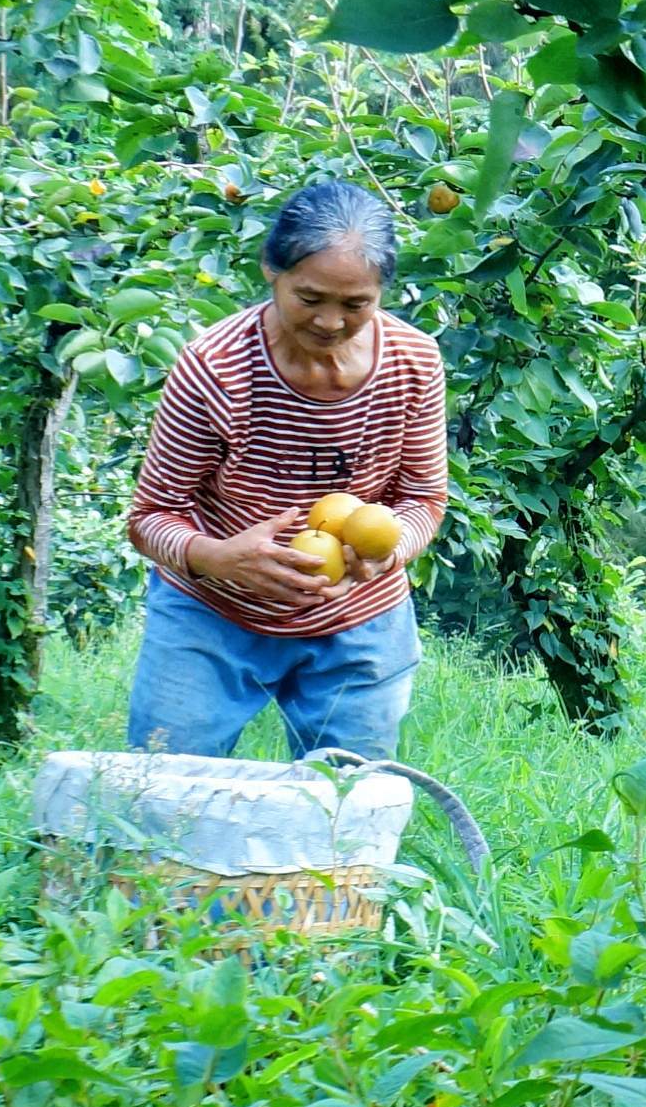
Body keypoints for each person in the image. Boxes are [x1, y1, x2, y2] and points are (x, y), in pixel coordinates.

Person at [124, 177, 449, 760]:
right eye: (310, 298)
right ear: (272, 272)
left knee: (346, 811)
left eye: (356, 305)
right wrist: (219, 558)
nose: (330, 322)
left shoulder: (414, 362)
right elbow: (151, 517)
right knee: (164, 795)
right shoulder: (214, 367)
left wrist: (385, 551)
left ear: (382, 293)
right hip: (212, 614)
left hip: (358, 620)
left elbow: (424, 499)